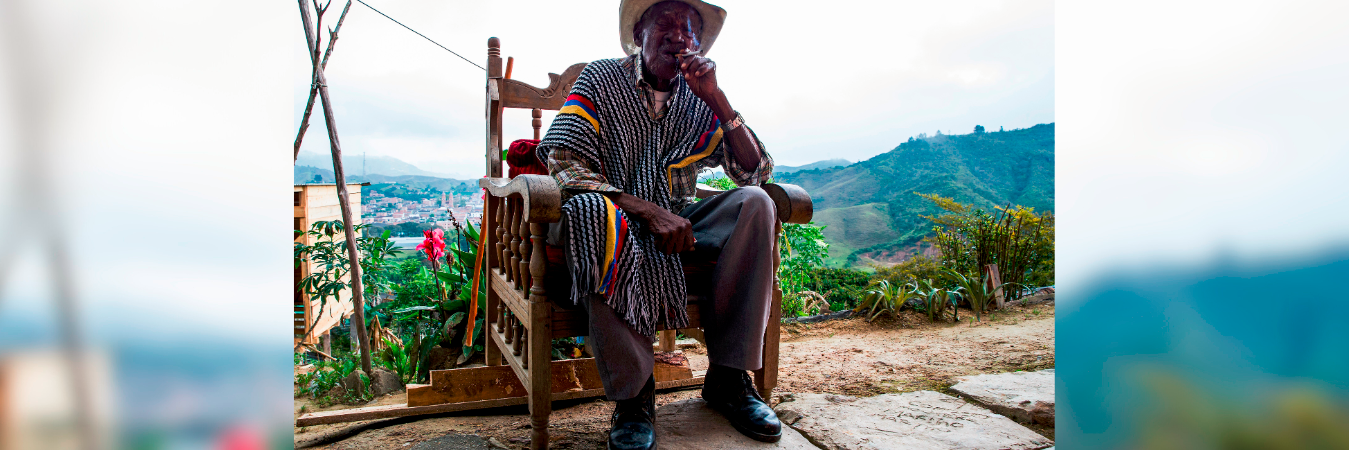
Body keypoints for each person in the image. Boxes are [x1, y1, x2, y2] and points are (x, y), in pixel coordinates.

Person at [535, 1, 781, 448]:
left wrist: (718, 99)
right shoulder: (601, 78)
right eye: (664, 26)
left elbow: (754, 171)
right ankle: (634, 399)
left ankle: (728, 379)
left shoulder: (699, 97)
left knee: (757, 204)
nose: (678, 37)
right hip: (605, 213)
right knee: (595, 214)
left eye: (688, 30)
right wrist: (644, 210)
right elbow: (563, 161)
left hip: (676, 216)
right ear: (638, 35)